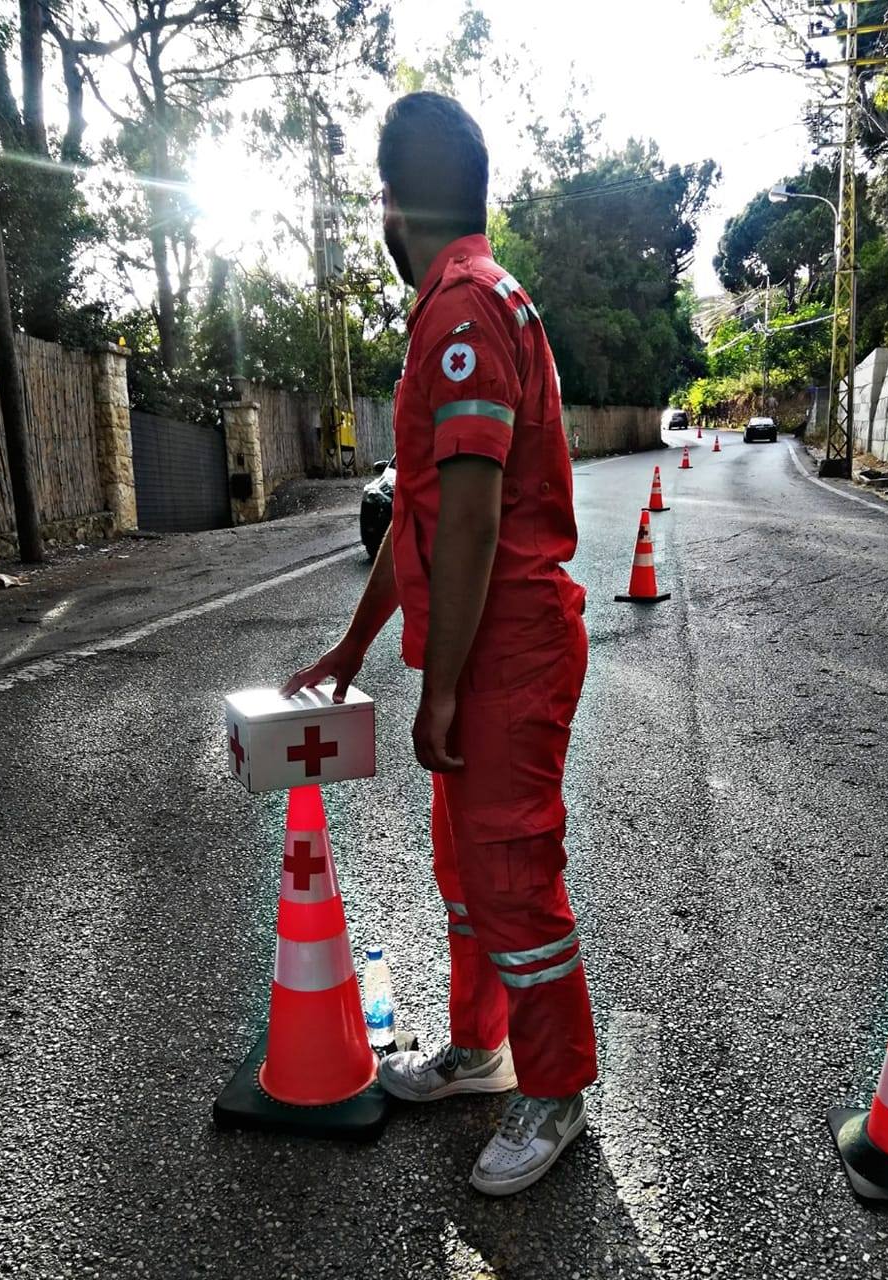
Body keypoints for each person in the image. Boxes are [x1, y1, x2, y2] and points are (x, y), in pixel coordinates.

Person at [282, 91, 596, 1197]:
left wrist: (442, 690)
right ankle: (482, 1052)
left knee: (512, 871)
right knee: (468, 874)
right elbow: (418, 518)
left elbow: (470, 520)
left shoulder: (461, 310)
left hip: (504, 648)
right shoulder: (456, 304)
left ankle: (553, 1090)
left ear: (396, 201)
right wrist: (355, 647)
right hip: (484, 643)